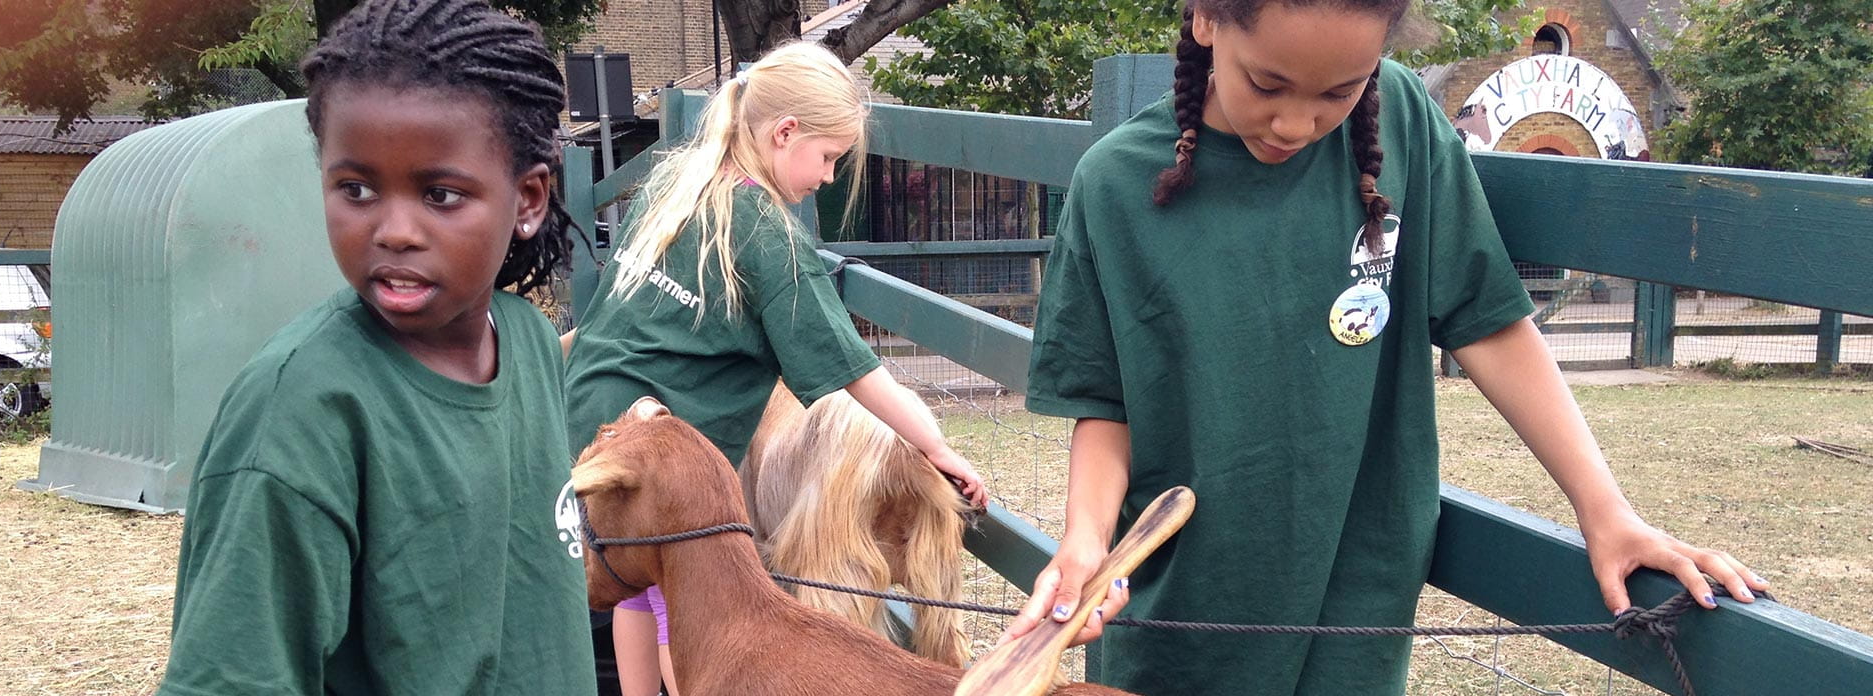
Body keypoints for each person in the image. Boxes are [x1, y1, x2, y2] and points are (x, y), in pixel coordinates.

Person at [999, 2, 1771, 693]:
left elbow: (1488, 322)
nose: (1296, 124)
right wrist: (1085, 540)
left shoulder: (1402, 121)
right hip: (1180, 622)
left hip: (1355, 610)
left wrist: (1605, 511)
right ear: (1205, 17)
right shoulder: (1115, 185)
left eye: (1338, 92)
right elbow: (1105, 404)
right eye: (1267, 84)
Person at [157, 1, 597, 693]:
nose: (394, 231)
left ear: (528, 200)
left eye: (441, 194)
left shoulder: (530, 342)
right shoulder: (302, 408)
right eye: (356, 188)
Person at [561, 41, 988, 696]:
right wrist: (936, 447)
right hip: (662, 464)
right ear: (785, 133)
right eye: (829, 157)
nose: (828, 177)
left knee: (636, 585)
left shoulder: (678, 186)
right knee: (688, 607)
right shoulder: (768, 234)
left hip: (594, 432)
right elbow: (854, 368)